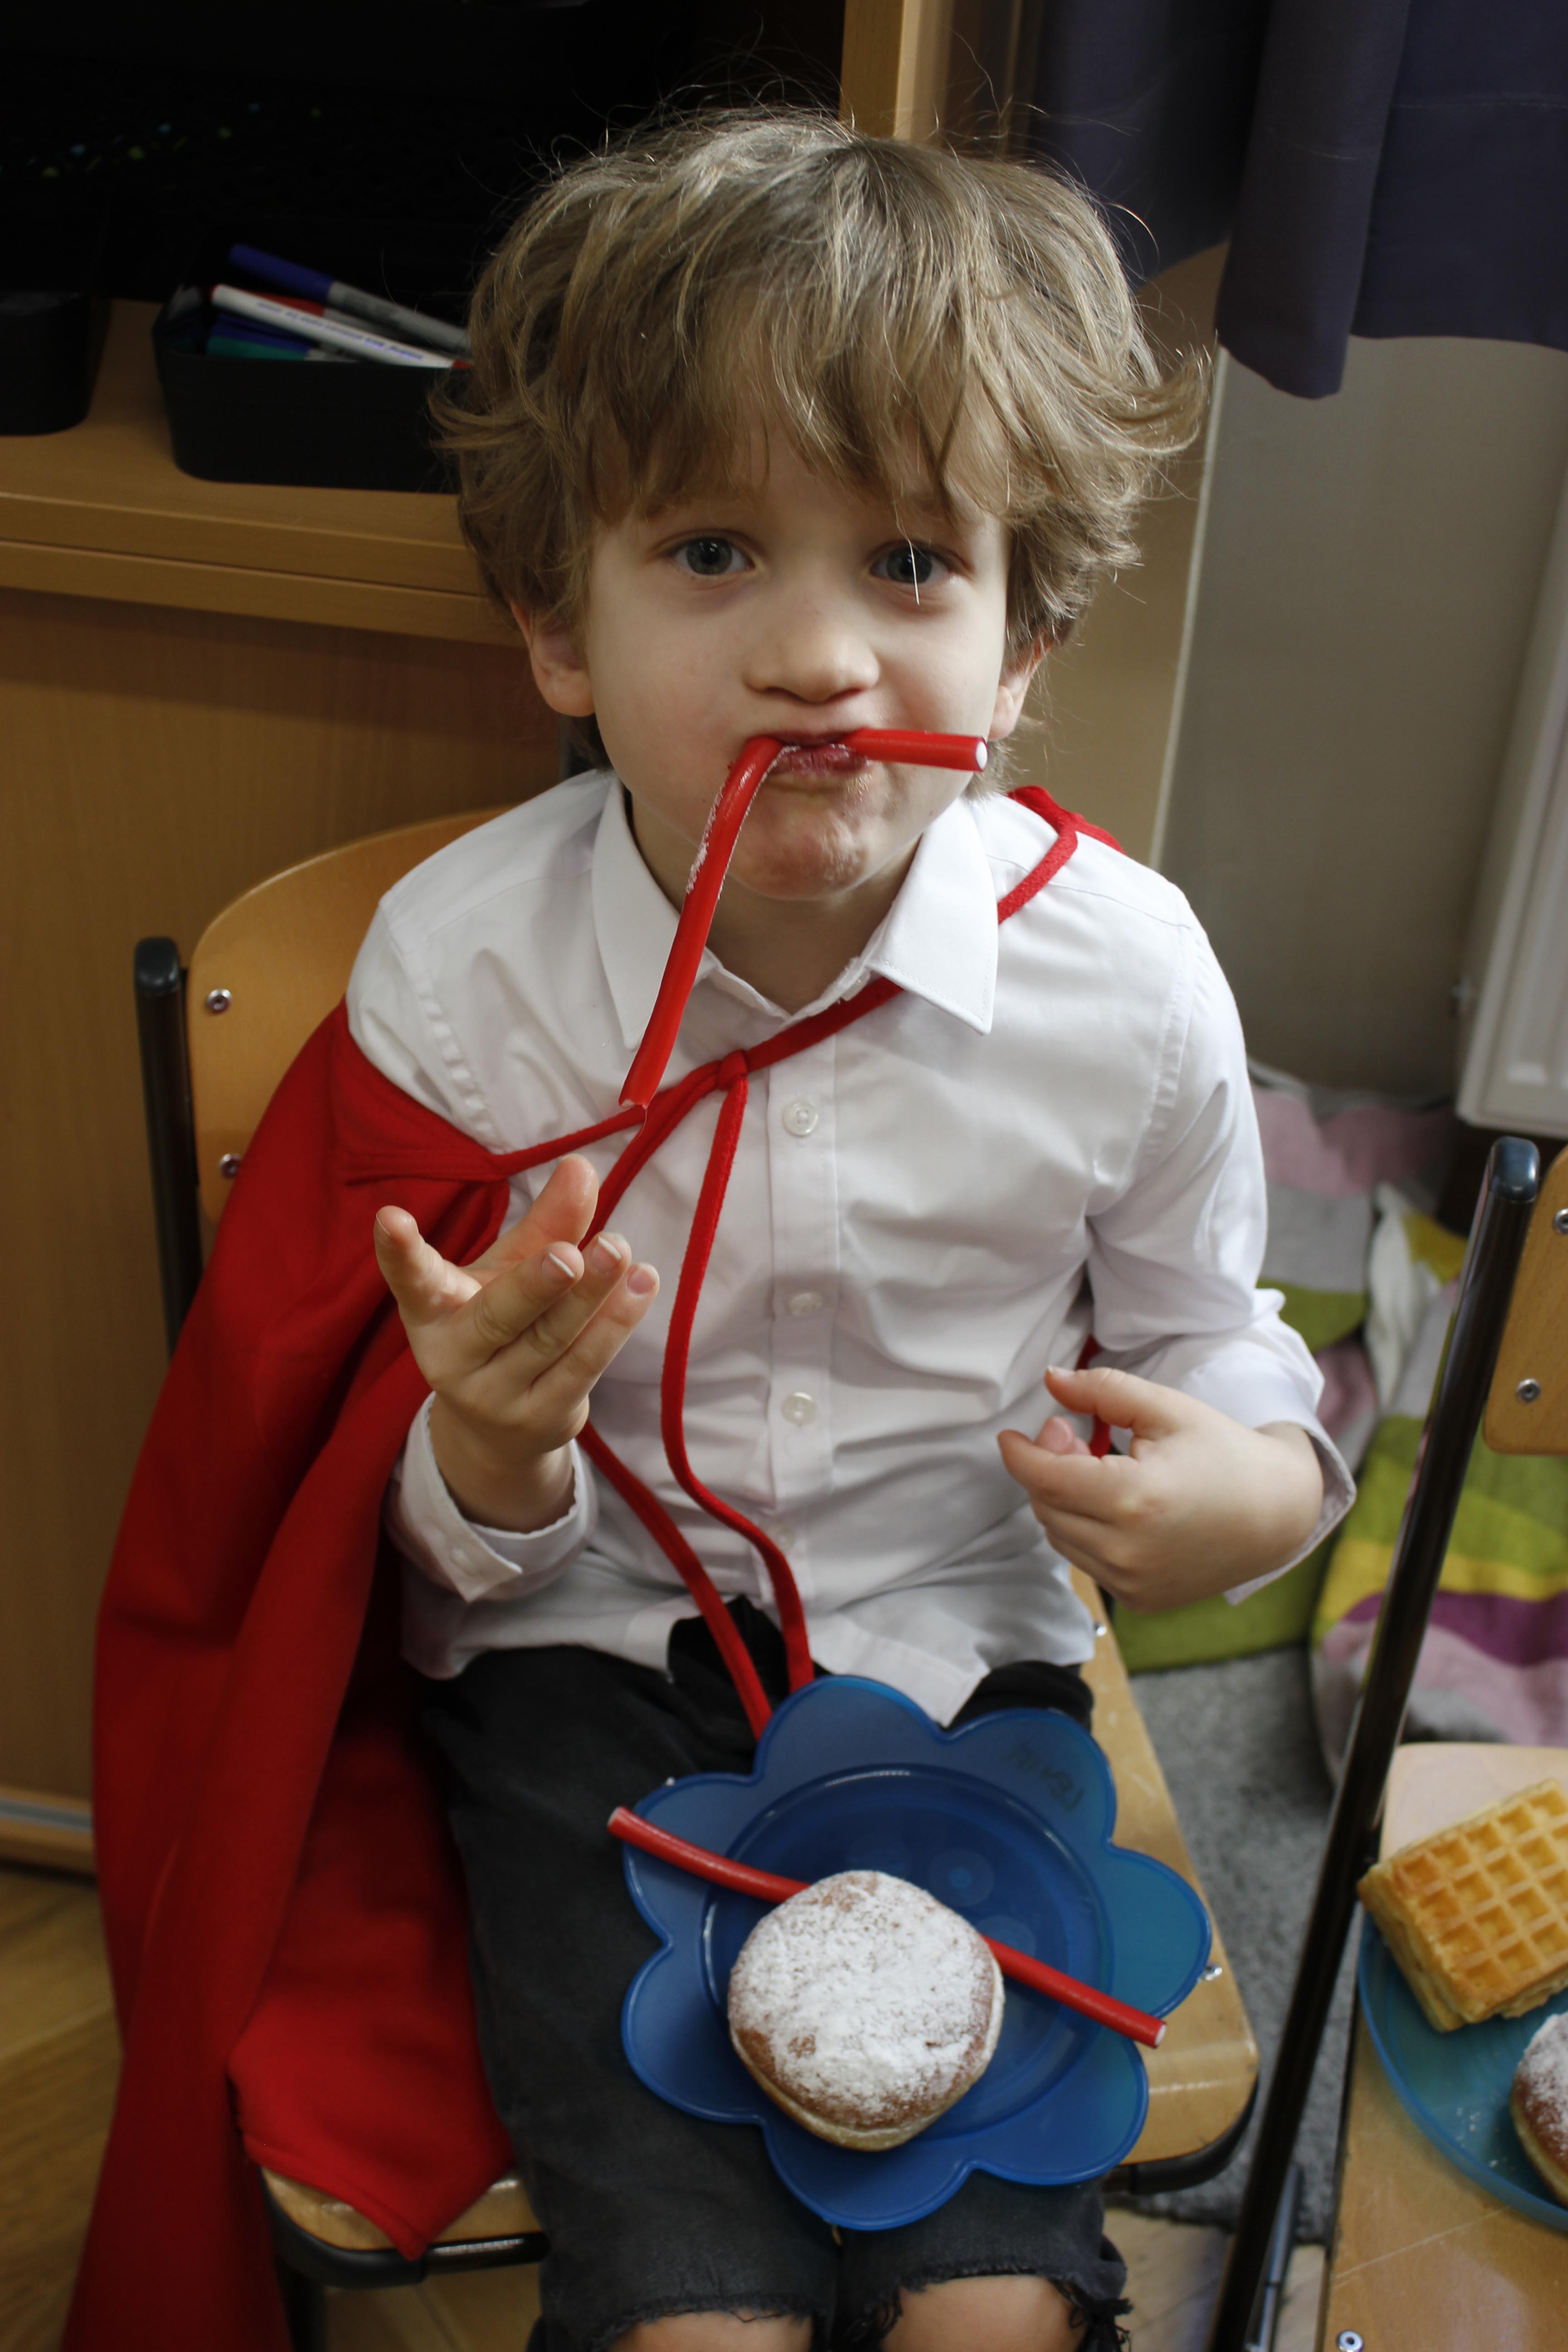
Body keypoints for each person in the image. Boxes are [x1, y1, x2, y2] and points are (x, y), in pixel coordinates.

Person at [345, 111, 1352, 2352]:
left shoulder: (1128, 980)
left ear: (1024, 646)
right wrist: (490, 1454)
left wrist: (1255, 1491)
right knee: (693, 2313)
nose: (818, 656)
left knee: (996, 2314)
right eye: (713, 551)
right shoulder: (459, 979)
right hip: (580, 1677)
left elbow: (1216, 1337)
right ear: (556, 626)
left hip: (968, 1667)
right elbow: (374, 1505)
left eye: (908, 563)